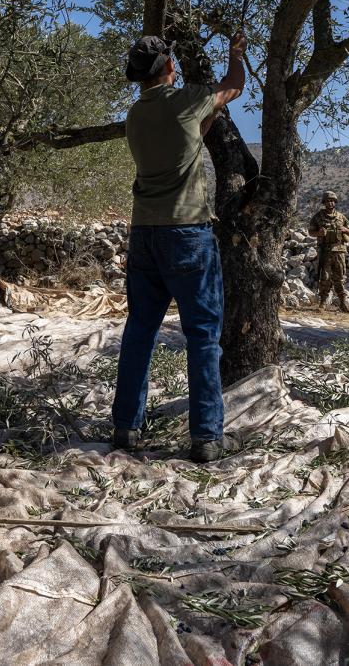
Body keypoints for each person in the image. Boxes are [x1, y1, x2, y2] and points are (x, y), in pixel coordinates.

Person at [112, 29, 245, 463]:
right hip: (187, 232)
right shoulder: (185, 100)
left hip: (144, 233)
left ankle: (125, 428)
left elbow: (193, 135)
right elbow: (233, 87)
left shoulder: (135, 116)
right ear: (170, 67)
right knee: (203, 337)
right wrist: (236, 54)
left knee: (139, 332)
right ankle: (207, 437)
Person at [308, 190, 349, 312]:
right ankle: (322, 303)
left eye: (332, 201)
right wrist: (319, 233)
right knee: (325, 277)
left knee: (339, 277)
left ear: (335, 202)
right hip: (325, 250)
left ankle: (343, 303)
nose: (330, 203)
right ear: (324, 202)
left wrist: (344, 229)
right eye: (328, 201)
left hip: (339, 250)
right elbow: (310, 231)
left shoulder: (341, 217)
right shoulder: (318, 217)